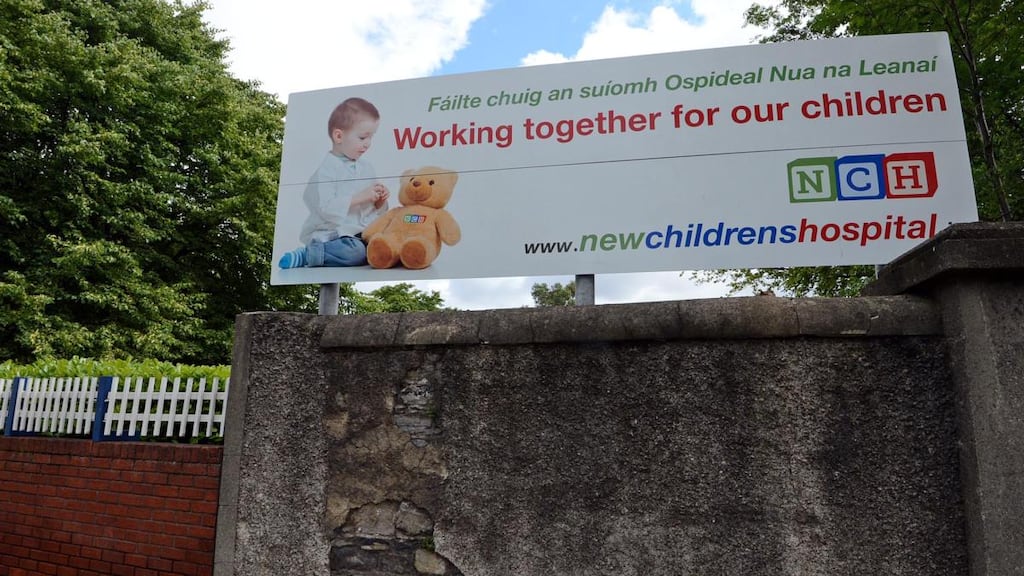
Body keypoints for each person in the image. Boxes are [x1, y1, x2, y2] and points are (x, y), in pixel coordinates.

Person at [279, 97, 390, 268]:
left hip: (362, 232)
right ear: (339, 136)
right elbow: (325, 209)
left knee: (382, 242)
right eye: (362, 138)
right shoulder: (326, 170)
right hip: (334, 235)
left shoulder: (367, 167)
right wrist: (360, 197)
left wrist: (379, 203)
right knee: (355, 253)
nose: (368, 144)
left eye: (371, 137)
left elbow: (371, 210)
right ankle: (309, 255)